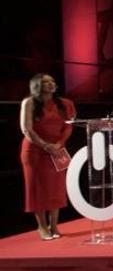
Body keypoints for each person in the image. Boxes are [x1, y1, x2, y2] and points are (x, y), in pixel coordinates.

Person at [19, 73, 75, 240]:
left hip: (57, 149)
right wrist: (44, 145)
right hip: (34, 150)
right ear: (37, 85)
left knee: (56, 188)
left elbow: (68, 126)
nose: (51, 83)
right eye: (45, 81)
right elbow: (26, 129)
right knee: (37, 189)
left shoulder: (65, 103)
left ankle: (54, 225)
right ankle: (42, 227)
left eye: (52, 80)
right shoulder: (29, 102)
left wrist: (59, 143)